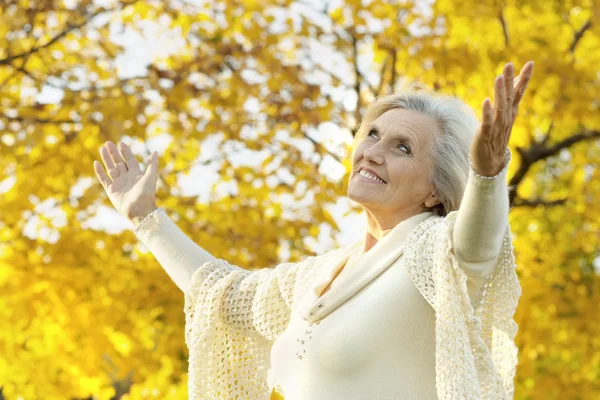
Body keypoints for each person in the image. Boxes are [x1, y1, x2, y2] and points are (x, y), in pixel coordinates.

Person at [93, 61, 534, 400]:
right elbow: (223, 295)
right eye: (372, 134)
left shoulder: (434, 253)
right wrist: (146, 217)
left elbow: (477, 248)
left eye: (402, 148)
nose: (372, 153)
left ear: (435, 192)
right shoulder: (315, 276)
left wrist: (487, 175)